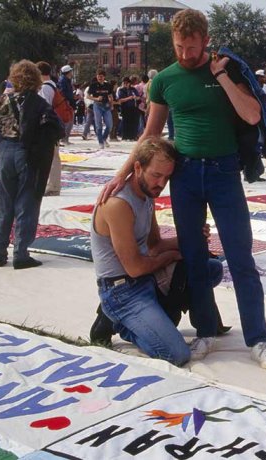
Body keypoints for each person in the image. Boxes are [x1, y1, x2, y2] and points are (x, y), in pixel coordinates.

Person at [99, 9, 266, 369]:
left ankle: (259, 339)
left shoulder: (226, 70)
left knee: (241, 258)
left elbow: (252, 115)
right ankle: (205, 331)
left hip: (223, 172)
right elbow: (151, 132)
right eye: (179, 47)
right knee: (194, 256)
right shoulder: (165, 80)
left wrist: (221, 76)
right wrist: (122, 173)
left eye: (192, 47)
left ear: (206, 41)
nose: (185, 54)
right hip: (184, 175)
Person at [92, 138, 201, 365]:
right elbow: (135, 267)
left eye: (167, 178)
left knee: (210, 269)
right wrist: (173, 255)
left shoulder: (146, 194)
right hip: (122, 290)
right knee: (177, 354)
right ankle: (118, 322)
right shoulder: (119, 204)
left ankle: (150, 317)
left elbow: (155, 245)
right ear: (138, 167)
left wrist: (192, 237)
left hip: (144, 279)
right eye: (156, 175)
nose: (161, 183)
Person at [0, 60, 62, 269]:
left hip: (5, 152)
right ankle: (21, 253)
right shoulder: (40, 103)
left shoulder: (1, 100)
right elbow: (54, 129)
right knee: (27, 203)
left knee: (4, 204)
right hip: (29, 154)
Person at [36, 61, 63, 197]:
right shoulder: (52, 85)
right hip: (54, 124)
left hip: (49, 126)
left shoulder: (45, 87)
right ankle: (52, 185)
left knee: (51, 156)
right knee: (53, 155)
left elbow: (44, 107)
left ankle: (53, 186)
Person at [87, 69, 114, 149]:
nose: (99, 78)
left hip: (106, 106)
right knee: (98, 125)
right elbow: (88, 96)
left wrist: (111, 104)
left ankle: (104, 138)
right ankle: (100, 142)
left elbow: (110, 96)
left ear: (104, 77)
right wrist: (96, 98)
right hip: (97, 105)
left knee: (109, 125)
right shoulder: (93, 85)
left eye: (101, 76)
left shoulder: (108, 85)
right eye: (98, 76)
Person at [58, 65, 75, 145]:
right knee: (68, 120)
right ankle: (64, 139)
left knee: (70, 121)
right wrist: (68, 99)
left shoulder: (67, 80)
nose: (72, 73)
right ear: (67, 72)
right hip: (66, 102)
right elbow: (63, 92)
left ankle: (65, 138)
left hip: (69, 101)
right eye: (71, 71)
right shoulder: (63, 81)